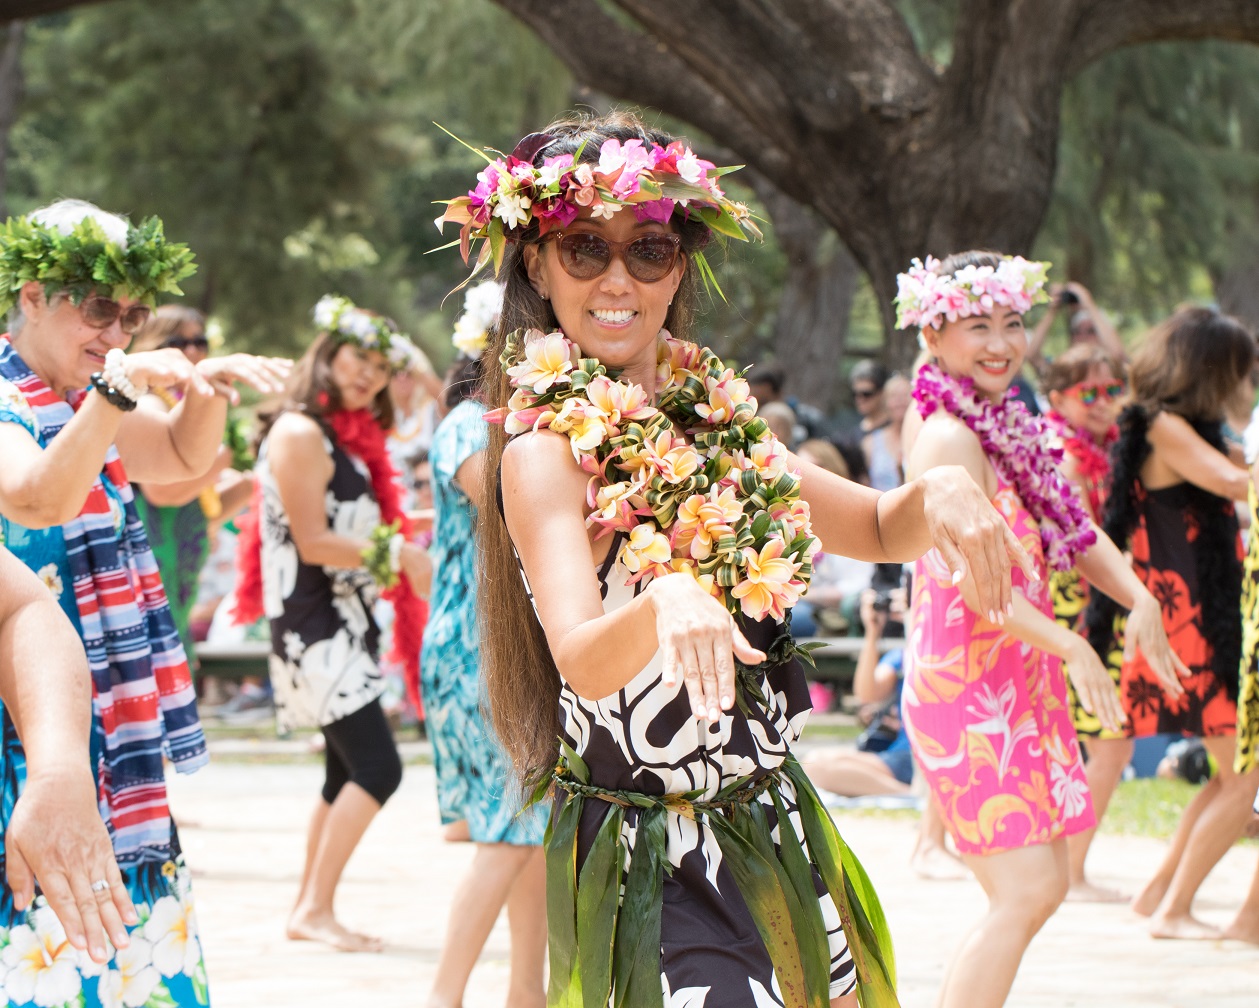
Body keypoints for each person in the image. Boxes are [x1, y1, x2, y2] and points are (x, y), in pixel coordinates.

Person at [438, 110, 1038, 1008]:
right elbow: (583, 660)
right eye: (584, 249)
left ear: (678, 267)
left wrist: (940, 488)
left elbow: (879, 528)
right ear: (535, 264)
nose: (617, 279)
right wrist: (663, 598)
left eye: (647, 250)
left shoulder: (716, 424)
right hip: (650, 858)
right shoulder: (542, 454)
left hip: (772, 822)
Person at [0, 198, 278, 1006]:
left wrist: (208, 391)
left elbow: (180, 458)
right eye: (98, 309)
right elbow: (37, 498)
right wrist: (116, 390)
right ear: (31, 297)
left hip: (102, 711)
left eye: (132, 316)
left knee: (119, 938)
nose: (117, 333)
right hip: (22, 714)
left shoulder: (86, 392)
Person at [897, 251, 1185, 1008]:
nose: (1001, 343)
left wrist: (1138, 597)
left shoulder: (1002, 421)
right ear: (931, 335)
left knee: (1042, 886)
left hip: (1016, 676)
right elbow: (976, 585)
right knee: (1023, 892)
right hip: (966, 689)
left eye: (1012, 322)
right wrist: (1071, 643)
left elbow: (1071, 527)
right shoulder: (947, 437)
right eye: (977, 326)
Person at [231, 294, 431, 953]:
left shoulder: (337, 435)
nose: (370, 373)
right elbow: (314, 541)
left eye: (382, 365)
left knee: (343, 773)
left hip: (342, 623)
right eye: (358, 357)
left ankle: (308, 908)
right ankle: (315, 909)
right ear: (327, 354)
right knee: (378, 768)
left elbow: (348, 525)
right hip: (314, 628)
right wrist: (399, 556)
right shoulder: (298, 433)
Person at [1086, 305, 1259, 938]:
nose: (1244, 383)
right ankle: (1174, 911)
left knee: (1229, 776)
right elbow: (1235, 482)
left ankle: (1159, 895)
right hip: (1191, 619)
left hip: (1196, 611)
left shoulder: (1182, 426)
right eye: (1238, 370)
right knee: (1244, 780)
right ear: (1210, 371)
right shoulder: (1159, 424)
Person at [422, 282, 546, 1008]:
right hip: (476, 647)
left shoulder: (512, 427)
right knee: (506, 830)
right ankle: (445, 996)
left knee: (529, 828)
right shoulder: (471, 428)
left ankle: (527, 993)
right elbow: (507, 508)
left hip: (505, 646)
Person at [129, 306, 283, 697]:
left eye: (201, 342)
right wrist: (222, 460)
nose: (194, 352)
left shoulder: (191, 406)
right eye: (180, 342)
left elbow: (200, 512)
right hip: (146, 578)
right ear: (151, 346)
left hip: (179, 579)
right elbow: (162, 492)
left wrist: (254, 480)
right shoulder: (148, 403)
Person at [1040, 344, 1130, 901]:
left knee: (1096, 744)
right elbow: (1080, 548)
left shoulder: (1104, 448)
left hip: (1094, 613)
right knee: (1110, 746)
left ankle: (1071, 869)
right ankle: (1072, 873)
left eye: (1112, 390)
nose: (1103, 402)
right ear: (1057, 398)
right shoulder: (1067, 460)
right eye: (1088, 392)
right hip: (1076, 615)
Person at [1028, 280, 1126, 374]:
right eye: (1077, 331)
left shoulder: (1109, 370)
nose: (1083, 337)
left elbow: (1118, 354)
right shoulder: (1063, 371)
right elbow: (1032, 355)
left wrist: (1090, 306)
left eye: (1091, 331)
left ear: (1102, 337)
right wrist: (1052, 312)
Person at [849, 360, 900, 492]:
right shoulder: (851, 436)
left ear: (882, 393)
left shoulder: (896, 428)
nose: (860, 399)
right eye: (855, 394)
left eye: (866, 394)